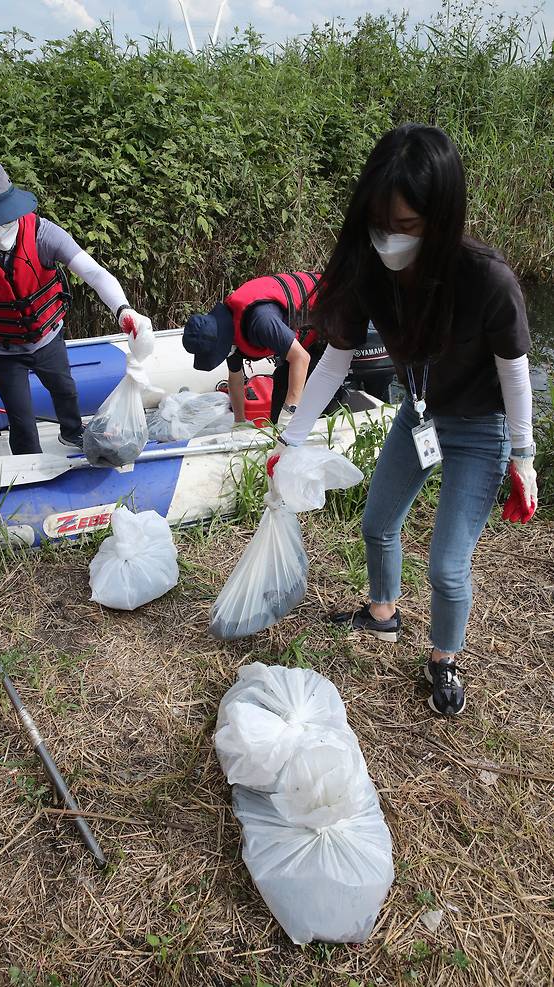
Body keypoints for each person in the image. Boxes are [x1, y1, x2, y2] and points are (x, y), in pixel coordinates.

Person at [269, 123, 537, 718]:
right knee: (377, 523)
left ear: (441, 219)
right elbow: (334, 360)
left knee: (446, 564)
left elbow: (516, 372)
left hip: (476, 429)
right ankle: (383, 613)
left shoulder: (486, 280)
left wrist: (523, 457)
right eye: (378, 223)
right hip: (419, 415)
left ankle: (444, 659)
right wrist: (290, 438)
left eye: (406, 227)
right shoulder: (369, 269)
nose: (388, 239)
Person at [0, 160, 152, 455]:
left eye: (4, 219)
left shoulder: (41, 233)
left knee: (65, 389)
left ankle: (72, 432)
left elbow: (94, 273)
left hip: (47, 336)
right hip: (1, 348)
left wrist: (123, 309)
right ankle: (28, 463)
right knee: (20, 416)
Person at [182, 272, 316, 428]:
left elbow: (301, 358)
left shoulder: (261, 321)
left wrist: (288, 414)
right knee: (280, 388)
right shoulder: (227, 333)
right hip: (300, 340)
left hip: (327, 318)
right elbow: (235, 379)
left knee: (307, 399)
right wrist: (239, 422)